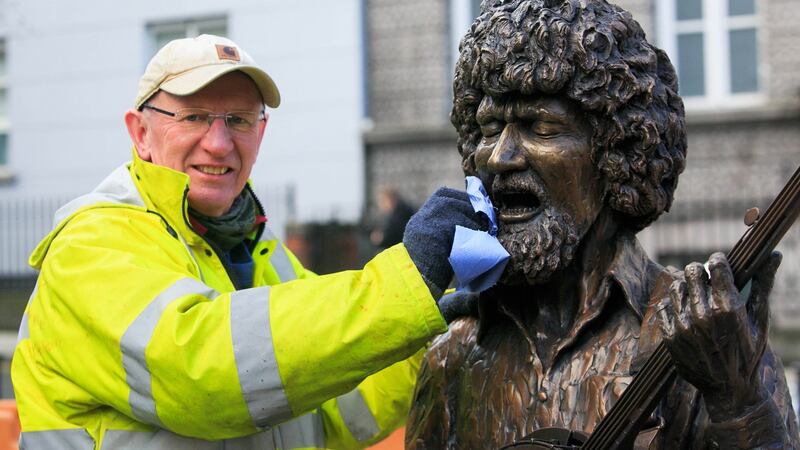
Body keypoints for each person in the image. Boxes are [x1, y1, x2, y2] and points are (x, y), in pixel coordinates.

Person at [11, 34, 486, 449]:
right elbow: (203, 371)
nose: (219, 143)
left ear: (261, 133)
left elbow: (336, 409)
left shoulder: (257, 249)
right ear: (141, 133)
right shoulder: (92, 245)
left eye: (239, 120)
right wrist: (403, 286)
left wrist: (431, 329)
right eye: (194, 116)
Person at [406, 1, 800, 449]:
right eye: (491, 127)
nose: (500, 156)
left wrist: (738, 402)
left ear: (614, 152)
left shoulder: (704, 338)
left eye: (540, 127)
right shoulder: (455, 353)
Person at [370, 186, 416, 251]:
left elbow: (394, 234)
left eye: (382, 201)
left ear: (390, 199)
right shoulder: (401, 211)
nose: (381, 205)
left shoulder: (400, 213)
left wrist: (381, 238)